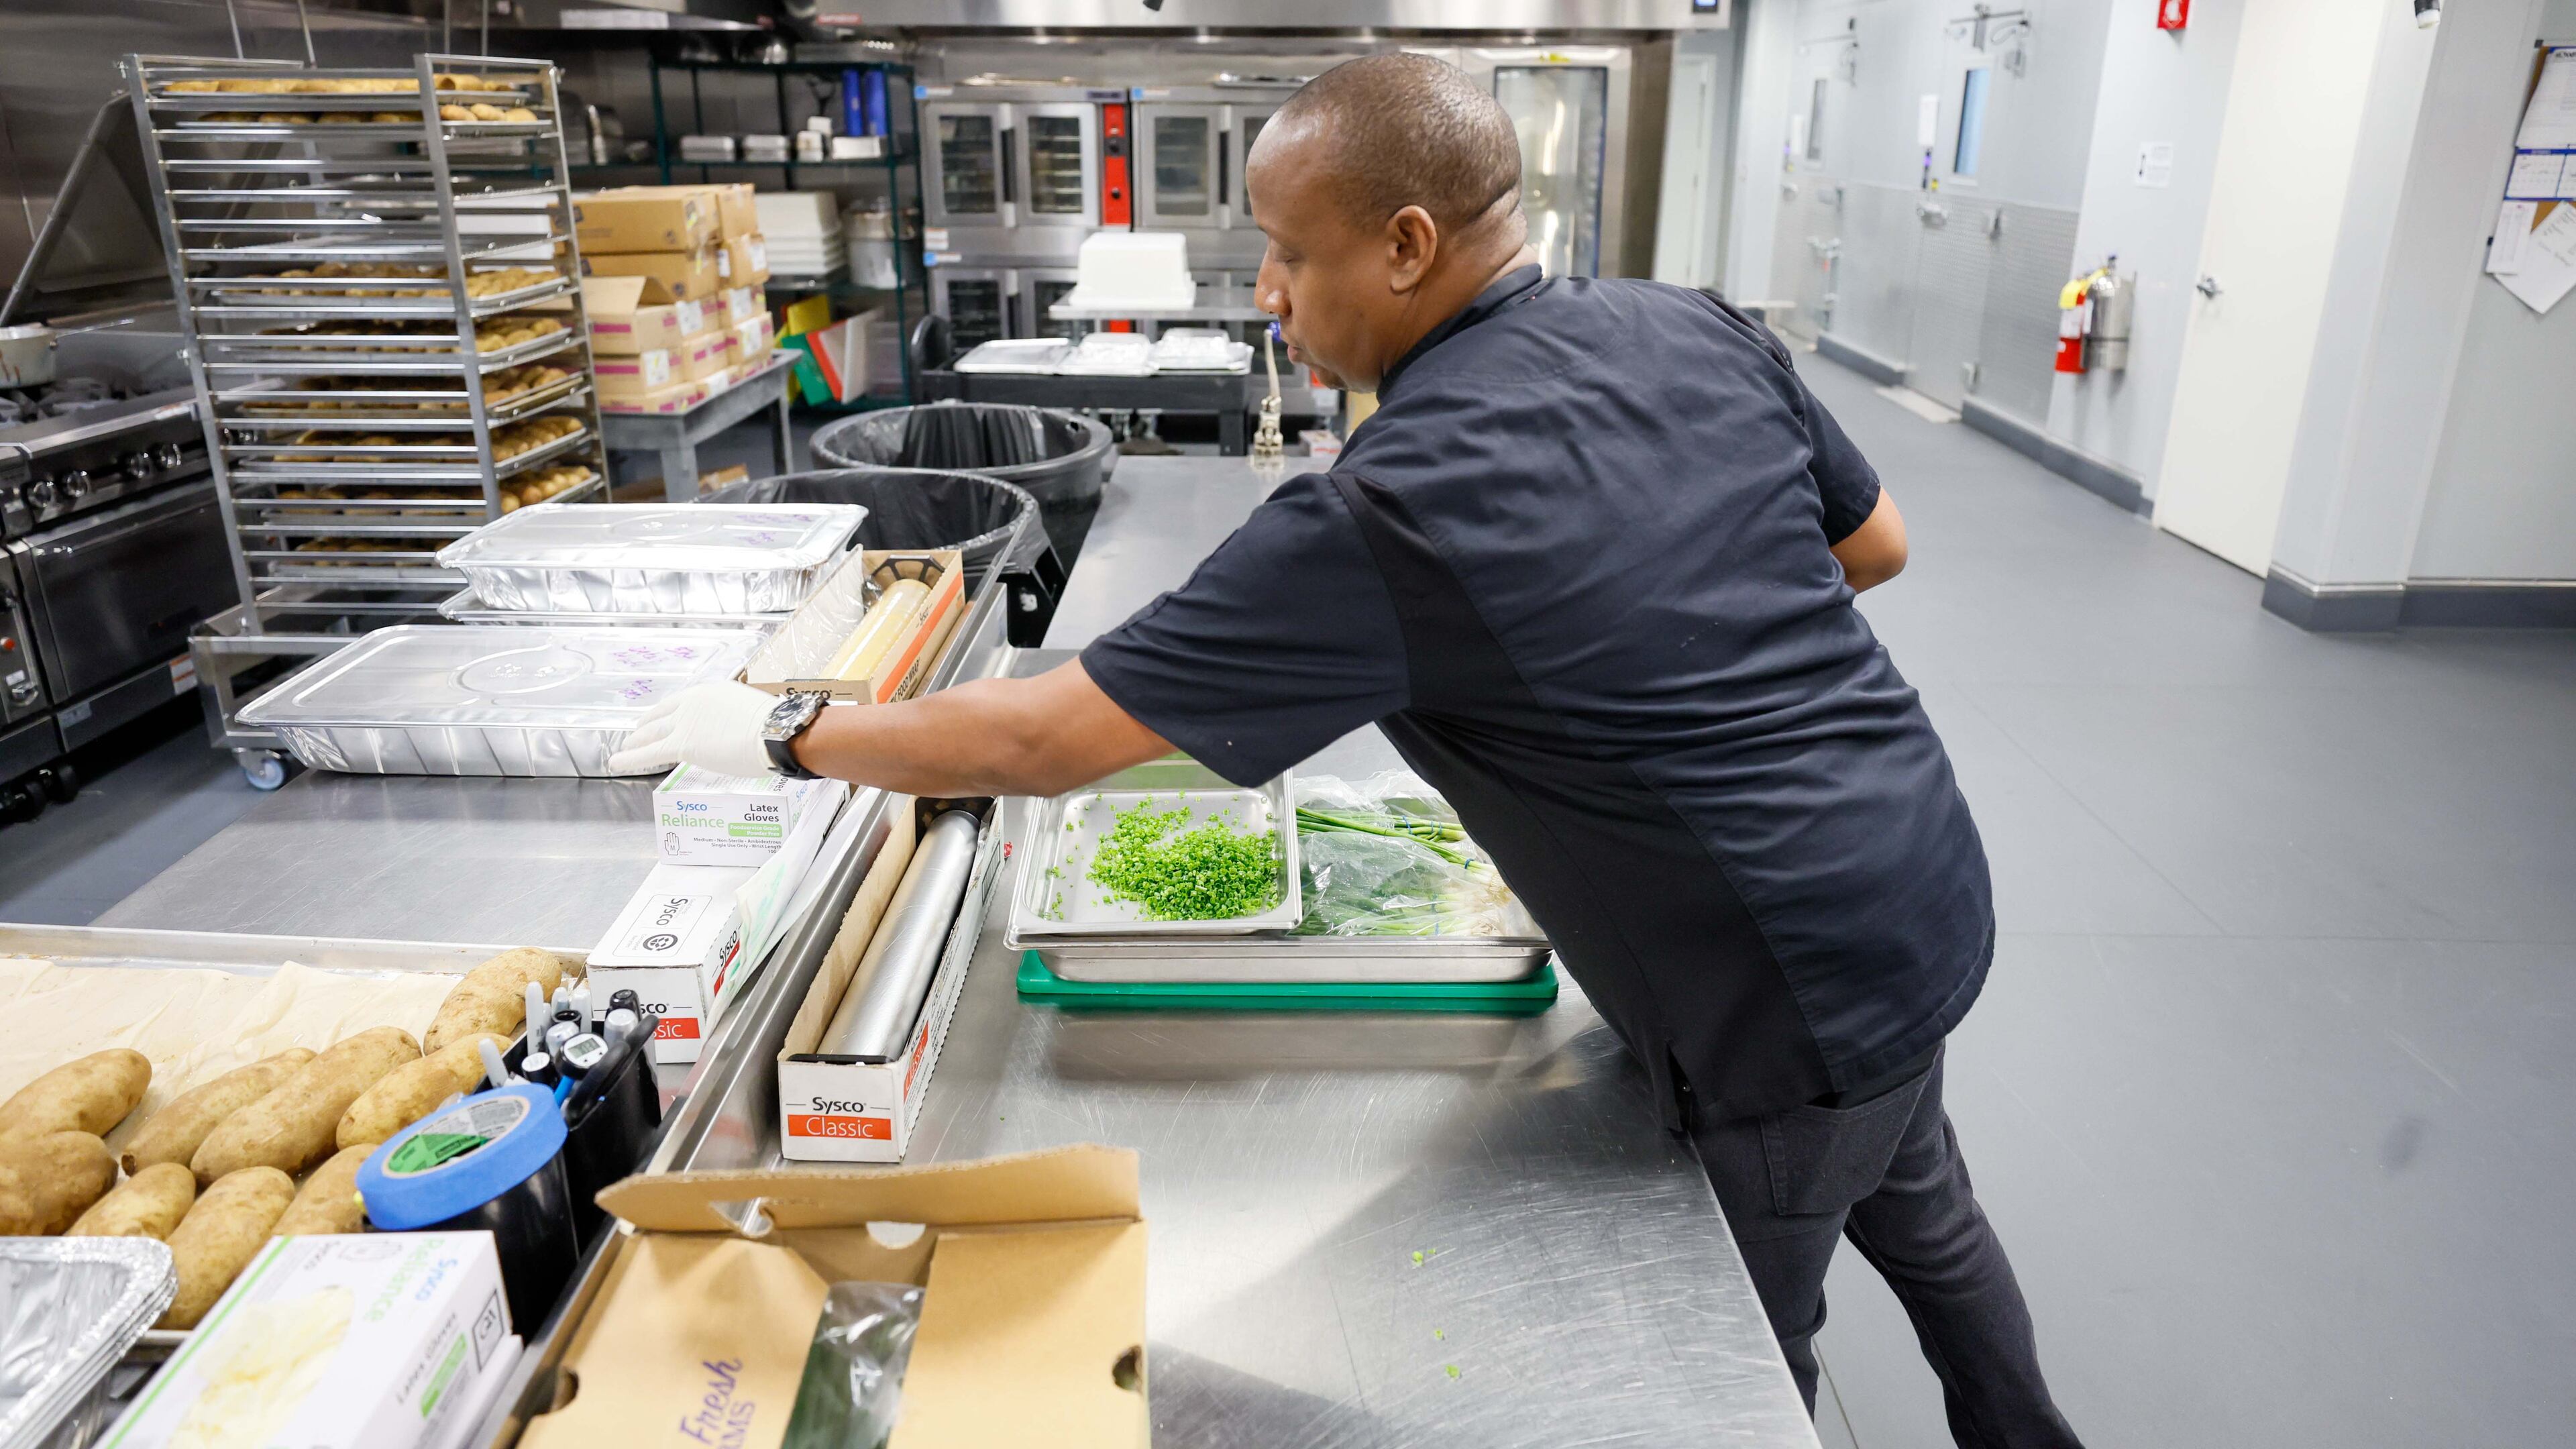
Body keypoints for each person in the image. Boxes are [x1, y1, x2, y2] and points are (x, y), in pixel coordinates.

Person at [612, 53, 2082, 1446]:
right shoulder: (1689, 321)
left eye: (1286, 255)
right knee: (1932, 1218)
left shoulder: (1401, 508)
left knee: (1737, 1369)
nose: (1267, 295)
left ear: (1406, 246)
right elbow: (1873, 545)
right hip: (1922, 880)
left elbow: (1045, 739)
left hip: (1769, 999)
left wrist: (787, 733)